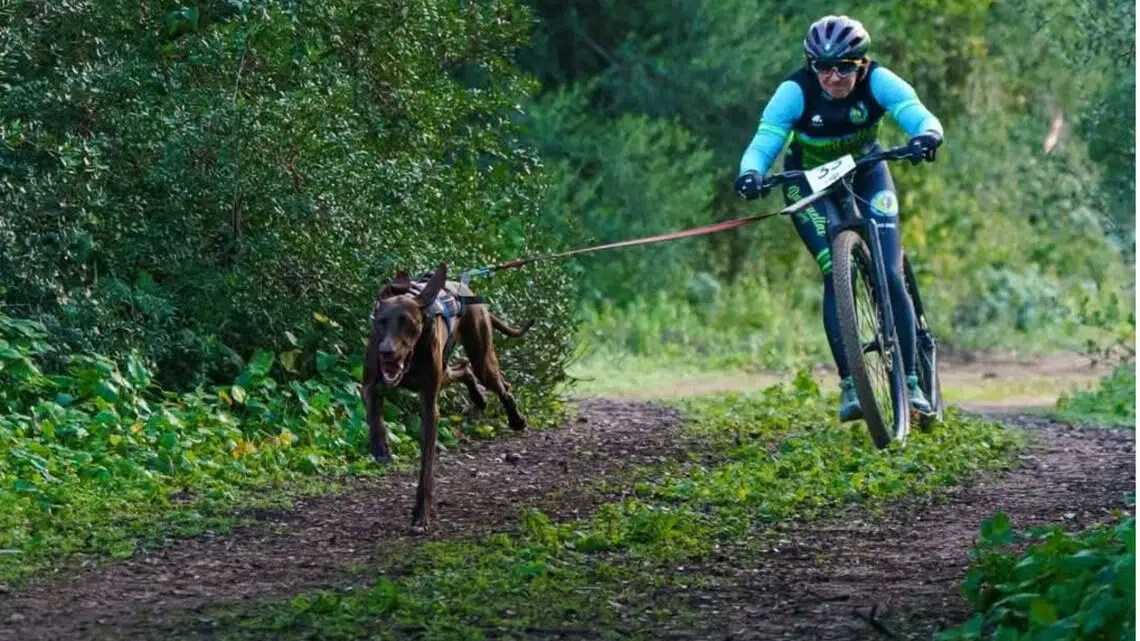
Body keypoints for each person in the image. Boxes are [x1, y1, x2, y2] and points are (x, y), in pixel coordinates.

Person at [734, 15, 943, 422]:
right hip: (807, 181)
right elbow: (765, 140)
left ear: (861, 64)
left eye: (844, 67)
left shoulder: (880, 82)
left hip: (868, 171)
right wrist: (751, 173)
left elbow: (916, 113)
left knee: (890, 272)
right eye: (824, 68)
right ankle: (851, 384)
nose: (833, 77)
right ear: (812, 66)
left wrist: (926, 136)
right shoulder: (794, 91)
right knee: (834, 267)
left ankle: (913, 383)